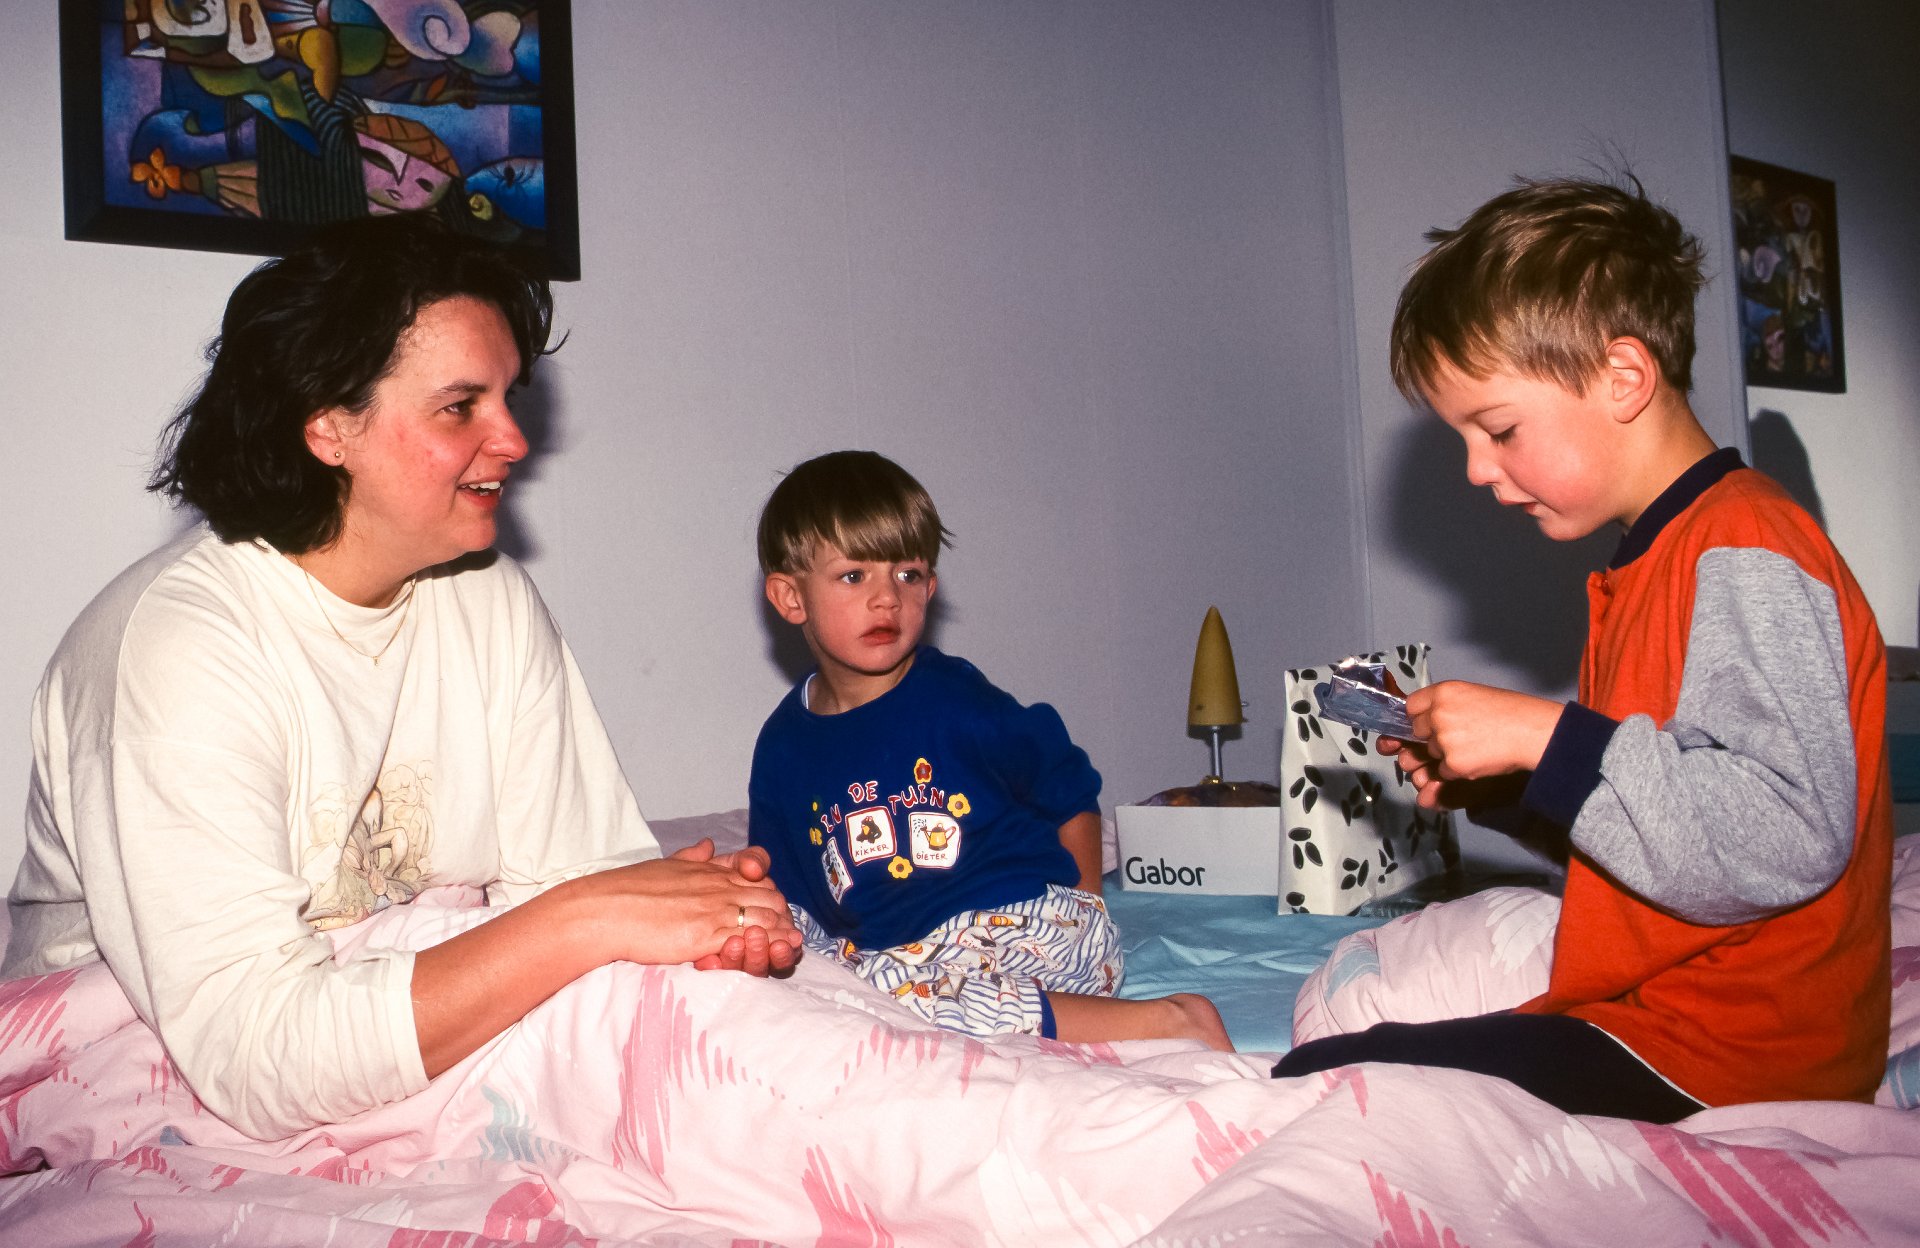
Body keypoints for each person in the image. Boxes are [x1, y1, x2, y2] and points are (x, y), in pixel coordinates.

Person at [1, 213, 801, 1142]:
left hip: (386, 1017)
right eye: (461, 406)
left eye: (508, 398)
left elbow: (584, 880)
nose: (514, 439)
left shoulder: (488, 596)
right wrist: (588, 917)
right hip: (135, 1066)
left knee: (742, 1049)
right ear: (329, 426)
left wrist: (706, 926)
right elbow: (253, 1056)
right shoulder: (174, 647)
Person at [1273, 176, 1892, 1122]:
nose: (1477, 470)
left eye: (1499, 430)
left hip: (1738, 1054)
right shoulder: (1655, 559)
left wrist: (1548, 737)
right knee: (1341, 1066)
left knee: (1336, 1087)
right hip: (1655, 1017)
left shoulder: (1748, 548)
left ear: (1623, 379)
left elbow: (1786, 834)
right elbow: (1668, 844)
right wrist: (1515, 786)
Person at [748, 450, 1229, 1048]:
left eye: (908, 575)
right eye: (854, 576)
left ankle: (1172, 1020)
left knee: (892, 993)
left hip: (1030, 925)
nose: (887, 598)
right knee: (822, 993)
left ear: (931, 587)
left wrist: (1085, 903)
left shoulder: (956, 699)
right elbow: (787, 893)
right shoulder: (783, 748)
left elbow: (1067, 786)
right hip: (915, 958)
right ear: (790, 598)